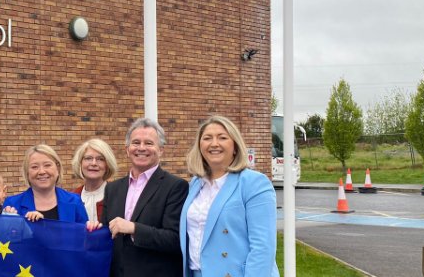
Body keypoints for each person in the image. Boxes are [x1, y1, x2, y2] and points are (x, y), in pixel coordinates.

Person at [179, 115, 278, 277]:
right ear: (200, 146)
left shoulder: (254, 183)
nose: (214, 144)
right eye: (207, 138)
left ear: (235, 147)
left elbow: (263, 247)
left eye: (222, 138)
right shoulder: (195, 183)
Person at [103, 117, 188, 277]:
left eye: (149, 143)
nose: (141, 148)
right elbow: (107, 234)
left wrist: (134, 228)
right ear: (127, 149)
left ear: (161, 149)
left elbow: (176, 239)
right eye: (136, 142)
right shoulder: (112, 188)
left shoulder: (176, 187)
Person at [3, 144, 92, 224]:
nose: (41, 171)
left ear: (57, 168)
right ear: (27, 172)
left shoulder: (74, 201)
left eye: (47, 165)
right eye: (34, 167)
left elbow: (85, 238)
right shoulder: (12, 204)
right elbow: (5, 239)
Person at [71, 138, 120, 222]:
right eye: (88, 158)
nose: (93, 163)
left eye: (100, 159)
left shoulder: (118, 195)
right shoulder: (71, 198)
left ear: (107, 164)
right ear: (80, 163)